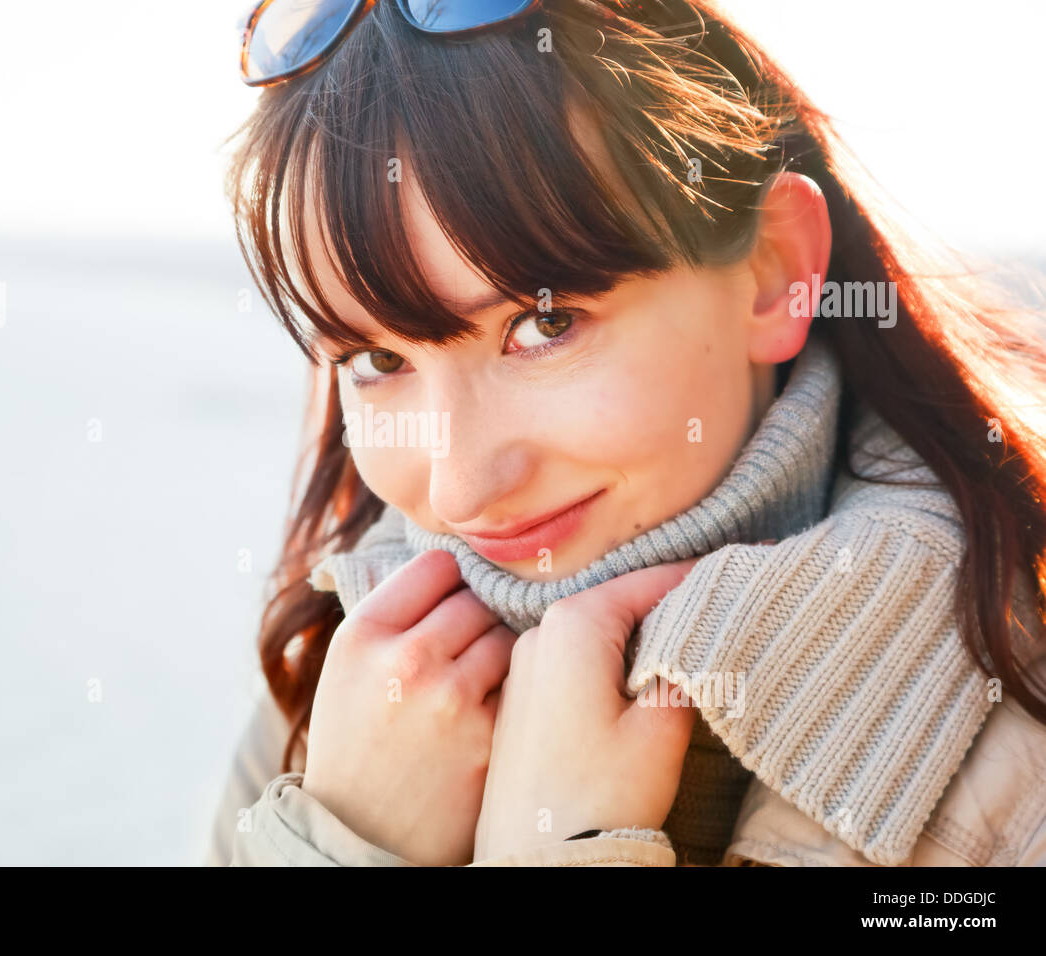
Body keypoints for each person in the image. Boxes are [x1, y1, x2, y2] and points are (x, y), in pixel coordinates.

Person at [205, 0, 1046, 866]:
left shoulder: (1018, 757)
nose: (458, 491)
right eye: (377, 361)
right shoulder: (333, 689)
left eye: (545, 326)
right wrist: (346, 842)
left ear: (774, 274)